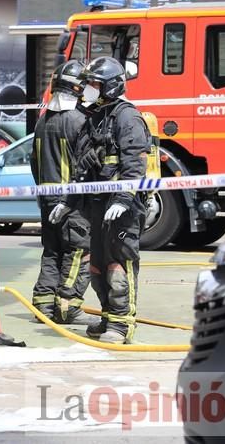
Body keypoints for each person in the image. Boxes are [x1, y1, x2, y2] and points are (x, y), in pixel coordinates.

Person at [75, 56, 150, 344]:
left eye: (94, 83)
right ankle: (108, 316)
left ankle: (120, 325)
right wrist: (68, 201)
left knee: (119, 266)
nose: (88, 89)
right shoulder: (95, 116)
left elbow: (134, 163)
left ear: (110, 86)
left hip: (122, 208)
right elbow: (83, 165)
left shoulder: (127, 117)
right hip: (98, 205)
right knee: (98, 268)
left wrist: (123, 198)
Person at [30, 60, 94, 325]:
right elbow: (87, 165)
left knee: (52, 251)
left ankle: (43, 305)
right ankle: (68, 306)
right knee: (80, 252)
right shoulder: (80, 121)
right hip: (73, 203)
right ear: (77, 88)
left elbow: (35, 163)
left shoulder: (43, 121)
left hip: (47, 199)